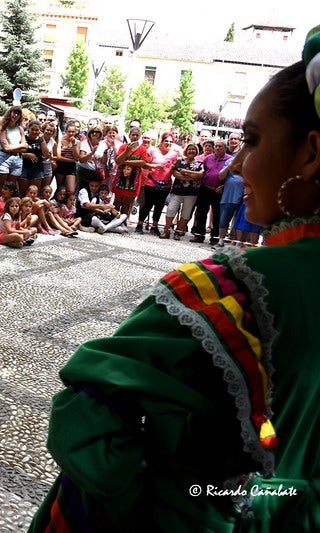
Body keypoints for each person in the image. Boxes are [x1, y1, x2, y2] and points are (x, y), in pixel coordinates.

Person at [29, 30, 320, 532]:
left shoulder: (236, 287)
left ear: (311, 152)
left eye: (251, 140)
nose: (235, 163)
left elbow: (91, 416)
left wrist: (197, 505)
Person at [191, 139, 232, 244]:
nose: (217, 148)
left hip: (219, 191)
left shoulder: (230, 160)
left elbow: (232, 177)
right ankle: (199, 235)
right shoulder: (208, 158)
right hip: (205, 188)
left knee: (217, 214)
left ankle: (214, 237)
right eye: (216, 146)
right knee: (201, 212)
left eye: (220, 146)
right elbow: (203, 171)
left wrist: (223, 186)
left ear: (225, 148)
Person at [137, 131, 178, 236]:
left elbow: (174, 168)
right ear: (161, 141)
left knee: (159, 206)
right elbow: (144, 164)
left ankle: (155, 226)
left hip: (166, 184)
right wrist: (154, 166)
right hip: (151, 183)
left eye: (170, 141)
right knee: (147, 204)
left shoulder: (174, 154)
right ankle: (140, 224)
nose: (168, 143)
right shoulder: (154, 151)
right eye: (166, 141)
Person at [0, 106, 27, 195]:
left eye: (18, 114)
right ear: (10, 113)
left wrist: (18, 146)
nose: (15, 115)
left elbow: (25, 148)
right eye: (14, 113)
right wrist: (21, 145)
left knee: (10, 189)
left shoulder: (20, 129)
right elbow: (5, 148)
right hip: (4, 158)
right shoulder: (3, 127)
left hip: (18, 160)